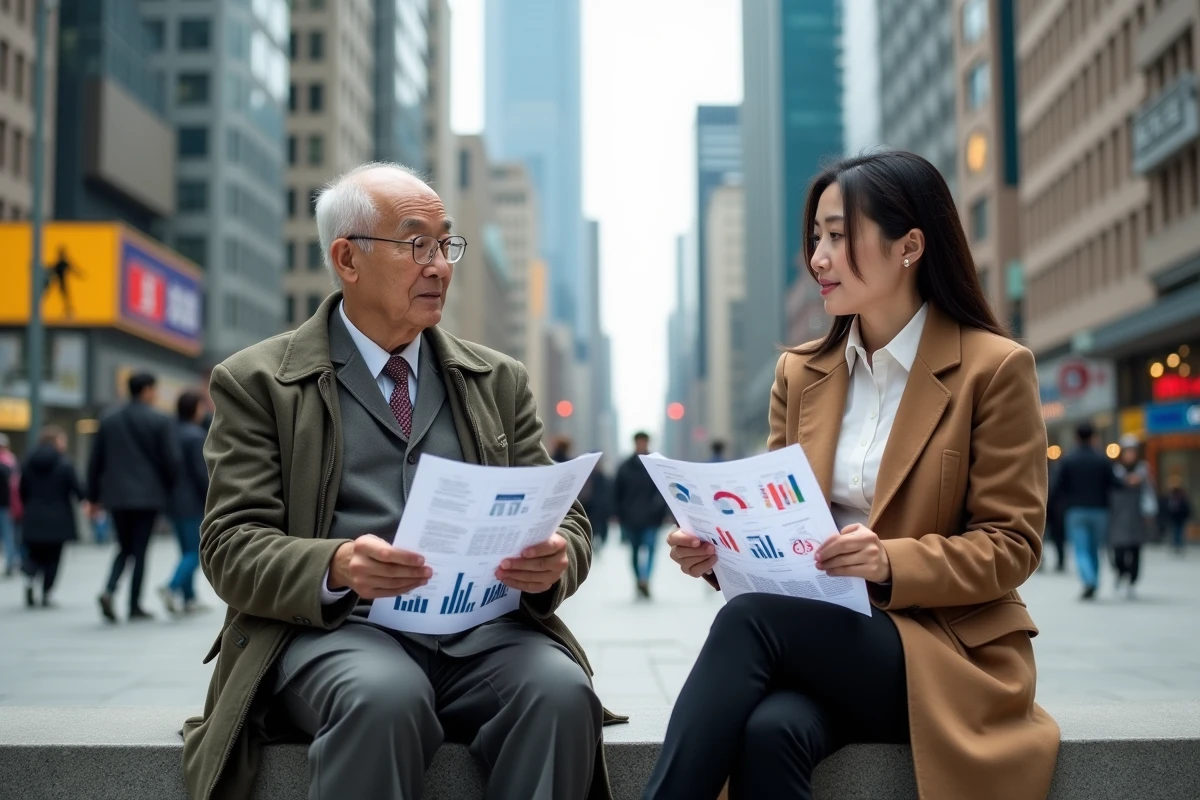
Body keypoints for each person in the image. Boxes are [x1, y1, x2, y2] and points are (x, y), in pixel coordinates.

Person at [182, 163, 612, 800]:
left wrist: (558, 557)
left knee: (561, 693)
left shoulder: (497, 380)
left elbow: (565, 515)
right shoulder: (259, 382)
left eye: (446, 244)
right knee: (383, 697)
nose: (439, 264)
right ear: (347, 259)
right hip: (333, 635)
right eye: (417, 244)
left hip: (482, 636)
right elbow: (230, 546)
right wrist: (338, 564)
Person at [644, 152, 1058, 800]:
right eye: (816, 238)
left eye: (839, 235)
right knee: (771, 730)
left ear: (910, 246)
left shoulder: (994, 369)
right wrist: (718, 550)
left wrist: (888, 561)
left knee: (749, 622)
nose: (818, 258)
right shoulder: (802, 374)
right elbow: (776, 516)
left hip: (945, 652)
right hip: (824, 638)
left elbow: (1011, 545)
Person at [87, 372, 181, 622]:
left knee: (124, 546)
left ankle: (109, 590)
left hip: (116, 496)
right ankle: (134, 604)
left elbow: (96, 461)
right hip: (148, 496)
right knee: (140, 550)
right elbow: (171, 461)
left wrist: (93, 497)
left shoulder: (108, 419)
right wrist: (170, 488)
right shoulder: (159, 420)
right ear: (147, 390)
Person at [1050, 422, 1121, 600]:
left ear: (1076, 437)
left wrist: (1051, 505)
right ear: (1093, 437)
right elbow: (1115, 483)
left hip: (1076, 511)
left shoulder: (1068, 460)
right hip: (1099, 511)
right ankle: (1094, 580)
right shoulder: (1102, 459)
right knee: (1094, 549)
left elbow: (1057, 487)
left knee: (1080, 549)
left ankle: (1089, 579)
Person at [18, 426, 84, 608]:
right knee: (53, 558)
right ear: (56, 442)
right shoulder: (65, 463)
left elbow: (22, 489)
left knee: (34, 553)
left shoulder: (28, 462)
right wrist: (87, 501)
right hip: (59, 518)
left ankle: (30, 577)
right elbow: (76, 488)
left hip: (34, 515)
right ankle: (46, 592)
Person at [159, 391, 210, 615]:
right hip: (192, 503)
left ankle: (189, 599)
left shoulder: (171, 433)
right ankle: (171, 587)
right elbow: (201, 473)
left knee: (185, 549)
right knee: (195, 551)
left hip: (172, 501)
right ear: (195, 408)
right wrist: (211, 498)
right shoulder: (195, 435)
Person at [614, 431, 668, 599]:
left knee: (651, 548)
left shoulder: (656, 465)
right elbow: (617, 493)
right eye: (639, 442)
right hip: (630, 517)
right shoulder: (624, 467)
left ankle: (645, 580)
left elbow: (665, 491)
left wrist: (663, 511)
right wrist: (617, 513)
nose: (641, 444)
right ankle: (639, 579)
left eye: (644, 442)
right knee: (635, 551)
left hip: (651, 517)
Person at [1108, 435, 1154, 599]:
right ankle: (1121, 573)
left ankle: (1132, 580)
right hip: (1118, 514)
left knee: (1135, 549)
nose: (1130, 455)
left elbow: (1149, 492)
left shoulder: (1143, 469)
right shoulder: (1115, 470)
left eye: (1132, 451)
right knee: (1118, 549)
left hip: (1136, 514)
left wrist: (1149, 511)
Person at [579, 458, 613, 549]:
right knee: (593, 529)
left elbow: (610, 494)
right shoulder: (588, 479)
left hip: (602, 510)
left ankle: (600, 543)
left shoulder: (605, 478)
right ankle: (594, 545)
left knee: (602, 530)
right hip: (592, 510)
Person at [0, 432, 18, 577]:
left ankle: (10, 563)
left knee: (8, 536)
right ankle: (10, 563)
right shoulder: (10, 462)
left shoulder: (9, 462)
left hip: (6, 505)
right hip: (7, 505)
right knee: (8, 535)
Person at [1162, 478, 1192, 555]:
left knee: (1179, 531)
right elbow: (1166, 507)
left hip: (1180, 517)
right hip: (1173, 517)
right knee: (1174, 531)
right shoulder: (1170, 496)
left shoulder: (1182, 496)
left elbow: (1186, 507)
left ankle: (1178, 545)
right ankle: (1175, 544)